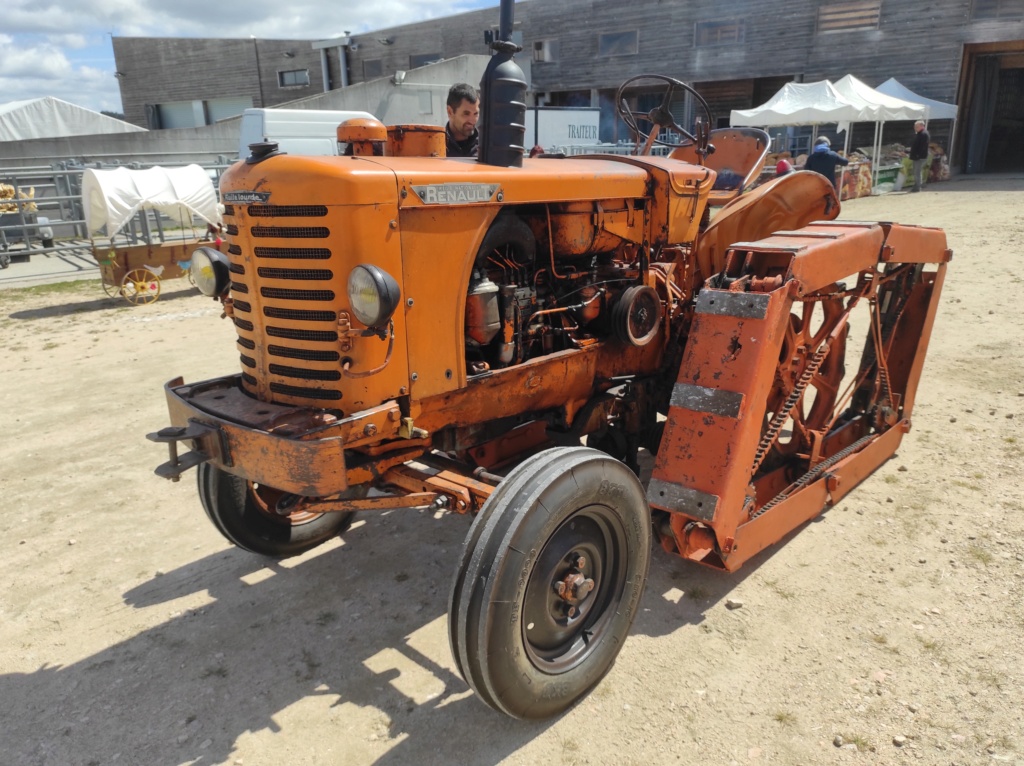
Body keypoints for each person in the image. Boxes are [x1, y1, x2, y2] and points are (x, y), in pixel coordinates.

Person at [445, 83, 480, 157]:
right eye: (466, 114)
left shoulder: (485, 146)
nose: (472, 121)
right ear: (450, 112)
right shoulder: (437, 146)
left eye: (475, 113)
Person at [909, 120, 930, 193]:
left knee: (917, 171)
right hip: (918, 156)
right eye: (915, 126)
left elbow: (923, 146)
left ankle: (917, 187)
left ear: (921, 126)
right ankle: (917, 185)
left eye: (916, 126)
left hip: (920, 157)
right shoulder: (920, 133)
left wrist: (918, 155)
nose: (915, 128)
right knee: (916, 171)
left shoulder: (923, 134)